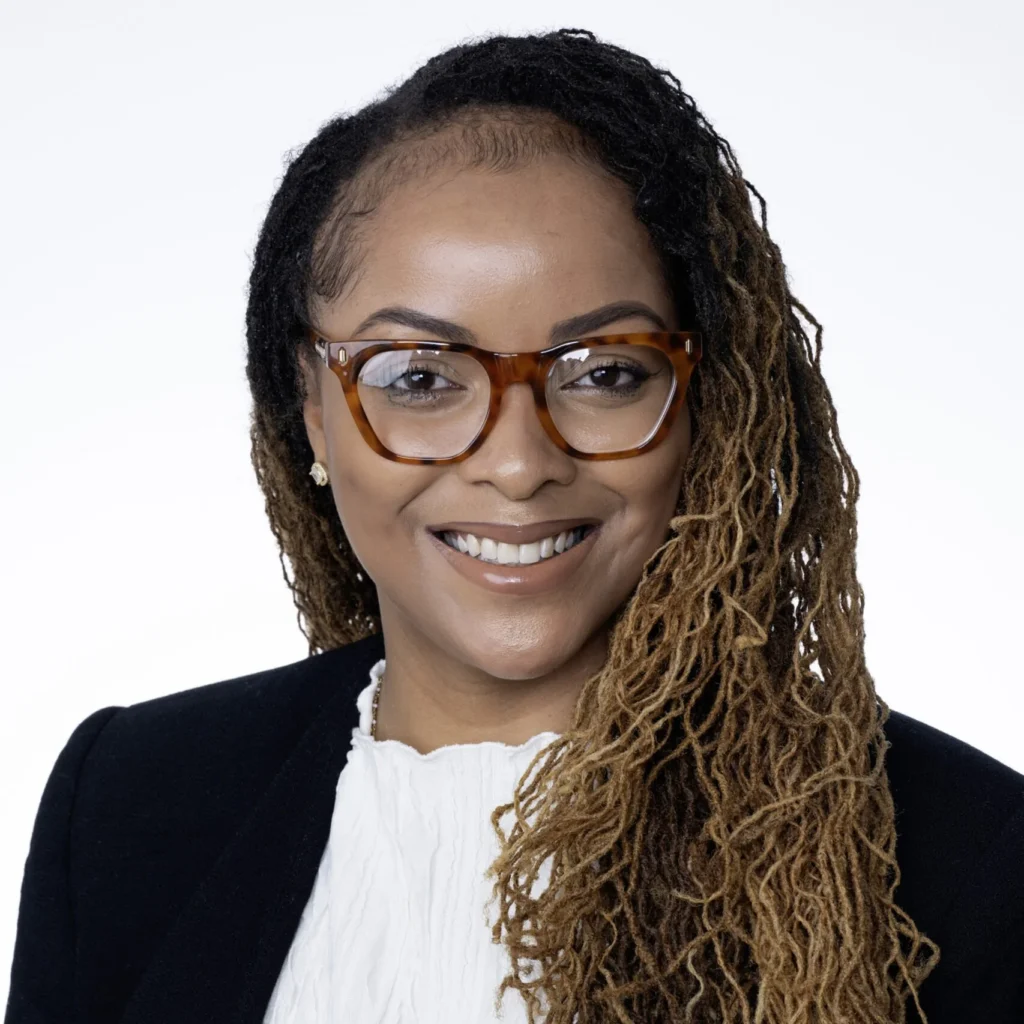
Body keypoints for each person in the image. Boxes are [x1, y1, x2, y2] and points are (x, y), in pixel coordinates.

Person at [5, 26, 1023, 1024]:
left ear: (710, 405)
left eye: (606, 373)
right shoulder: (132, 800)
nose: (520, 462)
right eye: (419, 379)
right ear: (311, 409)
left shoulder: (966, 855)